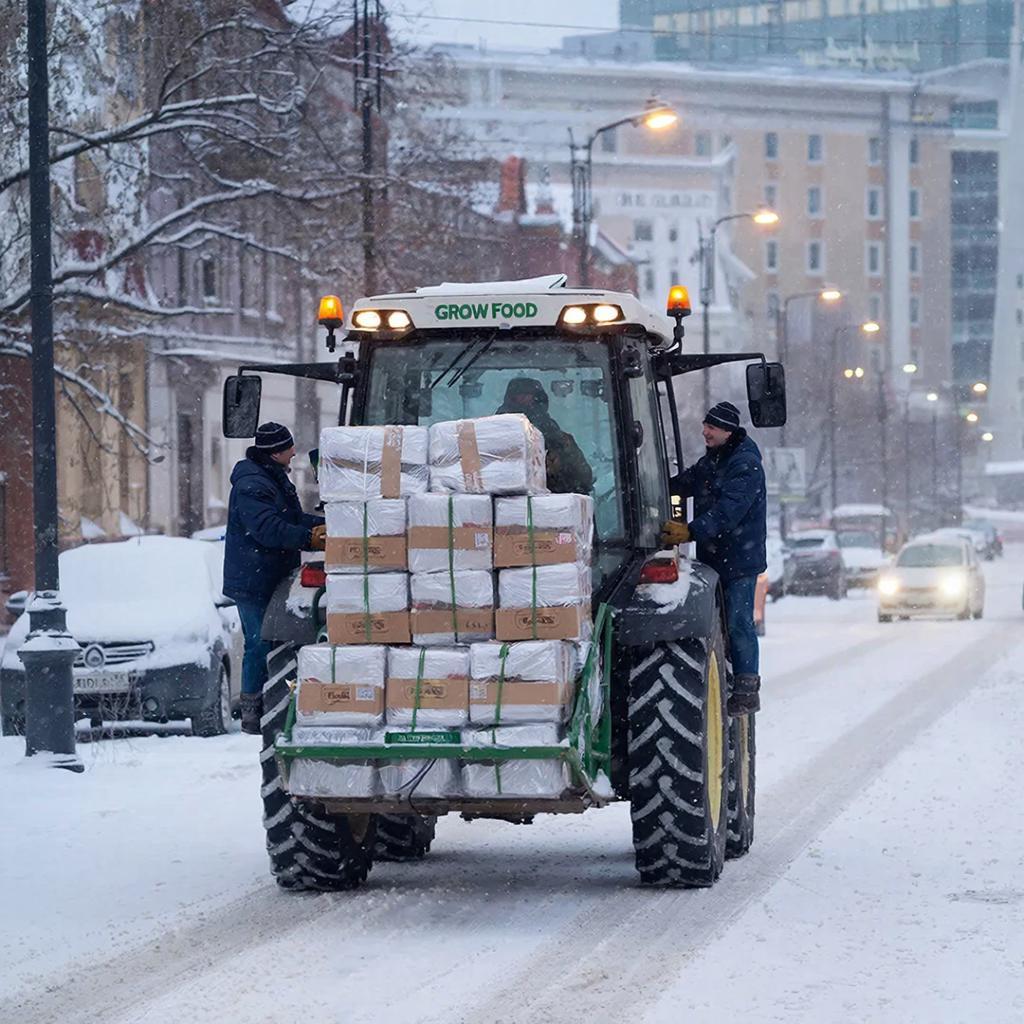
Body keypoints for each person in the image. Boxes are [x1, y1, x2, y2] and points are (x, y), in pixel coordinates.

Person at [660, 401, 767, 715]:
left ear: (728, 430)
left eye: (712, 427)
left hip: (739, 562)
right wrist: (653, 489)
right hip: (714, 558)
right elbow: (685, 483)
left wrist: (689, 531)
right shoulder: (715, 460)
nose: (705, 431)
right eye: (705, 425)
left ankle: (747, 689)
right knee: (720, 625)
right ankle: (726, 674)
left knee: (739, 622)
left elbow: (728, 512)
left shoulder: (745, 464)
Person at [223, 422, 325, 734]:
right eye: (289, 448)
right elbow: (267, 528)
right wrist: (309, 538)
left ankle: (270, 702)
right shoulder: (252, 484)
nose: (294, 453)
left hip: (271, 574)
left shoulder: (273, 478)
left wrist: (324, 523)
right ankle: (253, 712)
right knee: (258, 642)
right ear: (276, 452)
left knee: (271, 640)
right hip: (253, 579)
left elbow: (290, 518)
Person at [496, 377, 594, 494]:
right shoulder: (495, 435)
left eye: (529, 395)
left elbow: (584, 479)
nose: (525, 399)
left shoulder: (558, 438)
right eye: (520, 396)